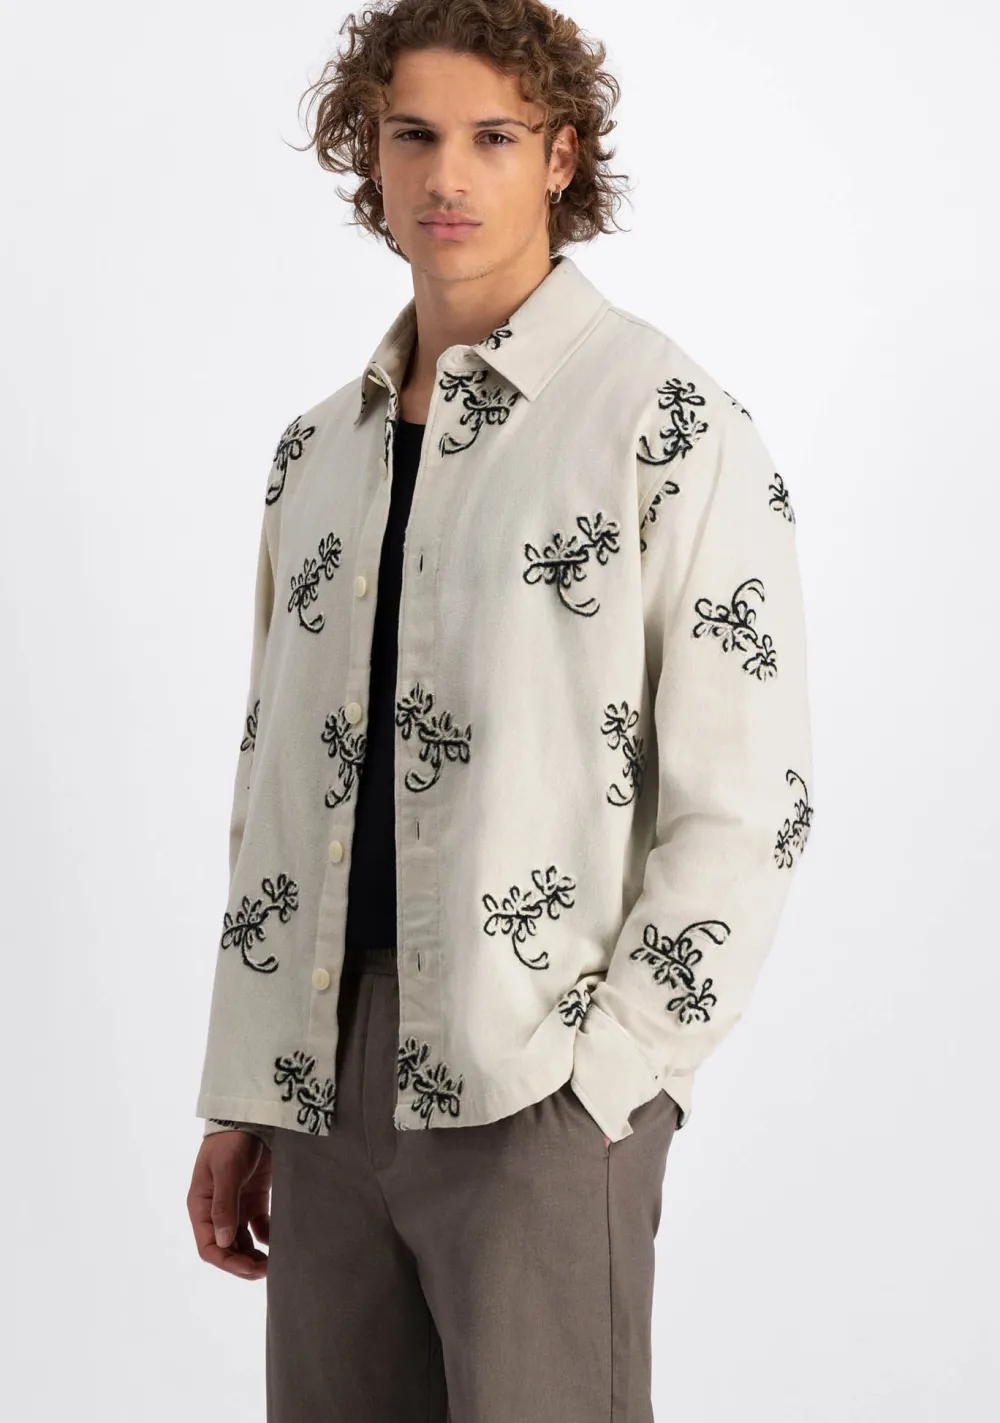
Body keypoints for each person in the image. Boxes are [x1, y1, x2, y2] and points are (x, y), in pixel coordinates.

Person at [186, 3, 814, 1419]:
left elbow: (750, 800)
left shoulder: (662, 421)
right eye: (413, 135)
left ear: (561, 155)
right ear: (370, 152)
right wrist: (248, 1088)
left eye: (493, 137)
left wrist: (612, 1082)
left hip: (540, 1083)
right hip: (318, 1080)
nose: (447, 176)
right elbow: (272, 781)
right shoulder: (317, 452)